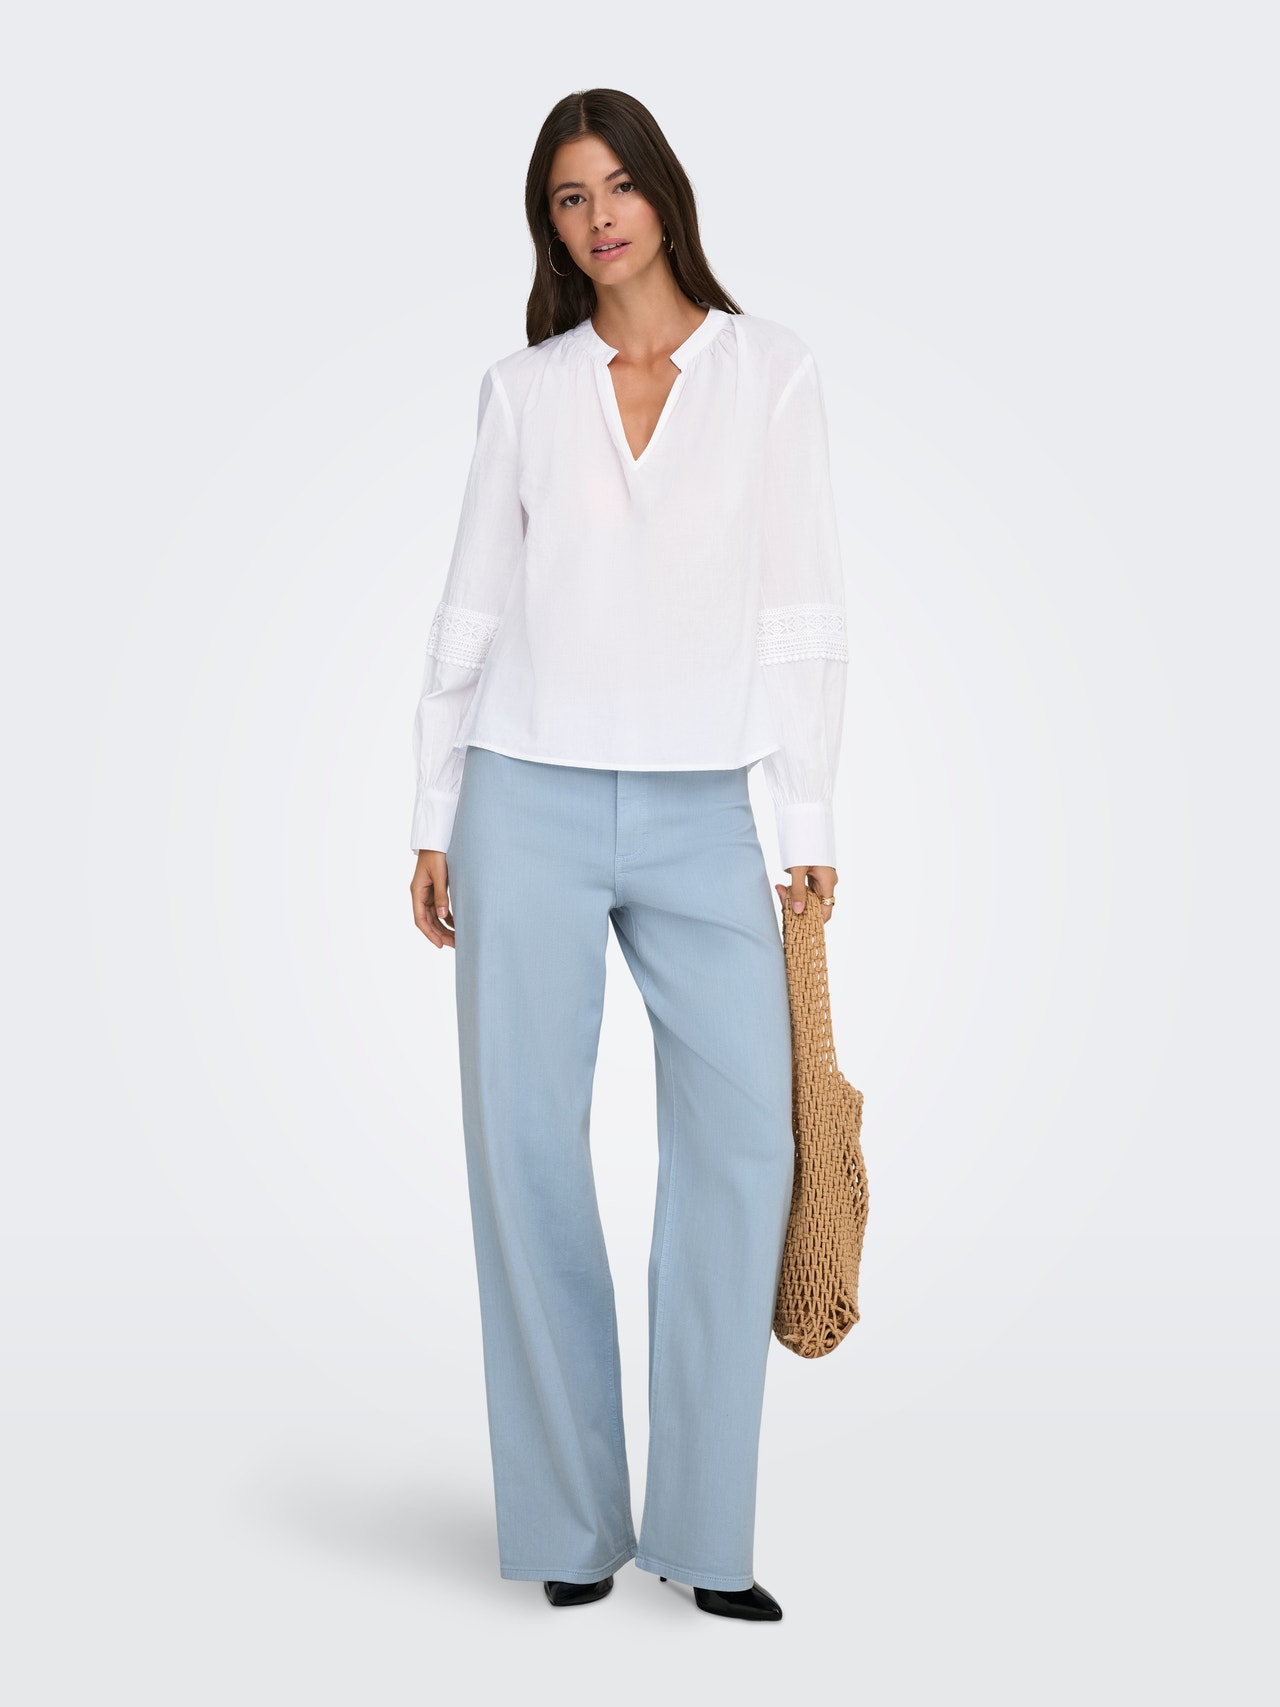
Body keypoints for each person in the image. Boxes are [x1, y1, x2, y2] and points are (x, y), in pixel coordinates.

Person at [408, 88, 848, 1624]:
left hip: (701, 811)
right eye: (567, 197)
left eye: (618, 186)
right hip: (521, 797)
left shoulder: (771, 372)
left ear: (665, 193)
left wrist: (807, 821)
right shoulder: (523, 390)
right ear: (550, 224)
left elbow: (802, 611)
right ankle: (571, 1524)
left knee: (746, 1150)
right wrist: (432, 814)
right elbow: (471, 605)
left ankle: (707, 1536)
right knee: (524, 1154)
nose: (597, 218)